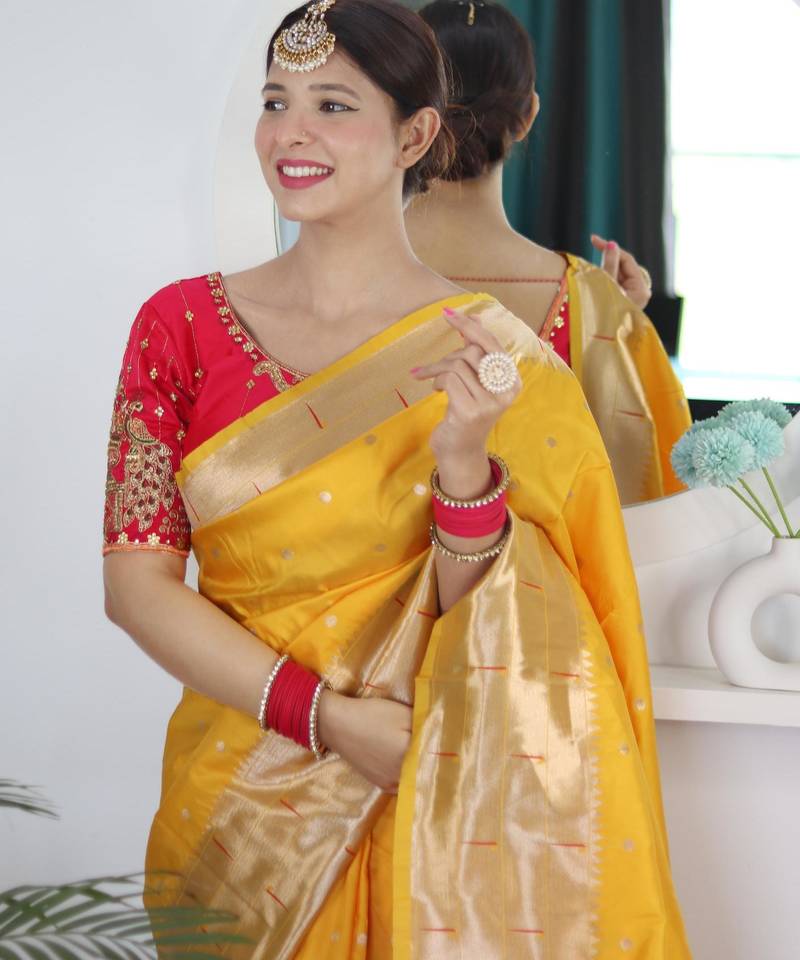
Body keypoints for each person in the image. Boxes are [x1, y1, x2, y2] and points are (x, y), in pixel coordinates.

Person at [102, 1, 690, 956]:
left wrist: (464, 465)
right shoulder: (180, 327)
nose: (291, 132)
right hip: (238, 808)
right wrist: (329, 720)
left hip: (430, 791)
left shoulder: (491, 353)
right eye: (275, 101)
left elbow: (500, 621)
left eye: (332, 105)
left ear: (415, 135)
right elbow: (135, 588)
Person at [407, 0, 692, 505]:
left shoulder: (332, 282)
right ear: (527, 115)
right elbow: (644, 504)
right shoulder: (594, 306)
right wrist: (609, 328)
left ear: (404, 118)